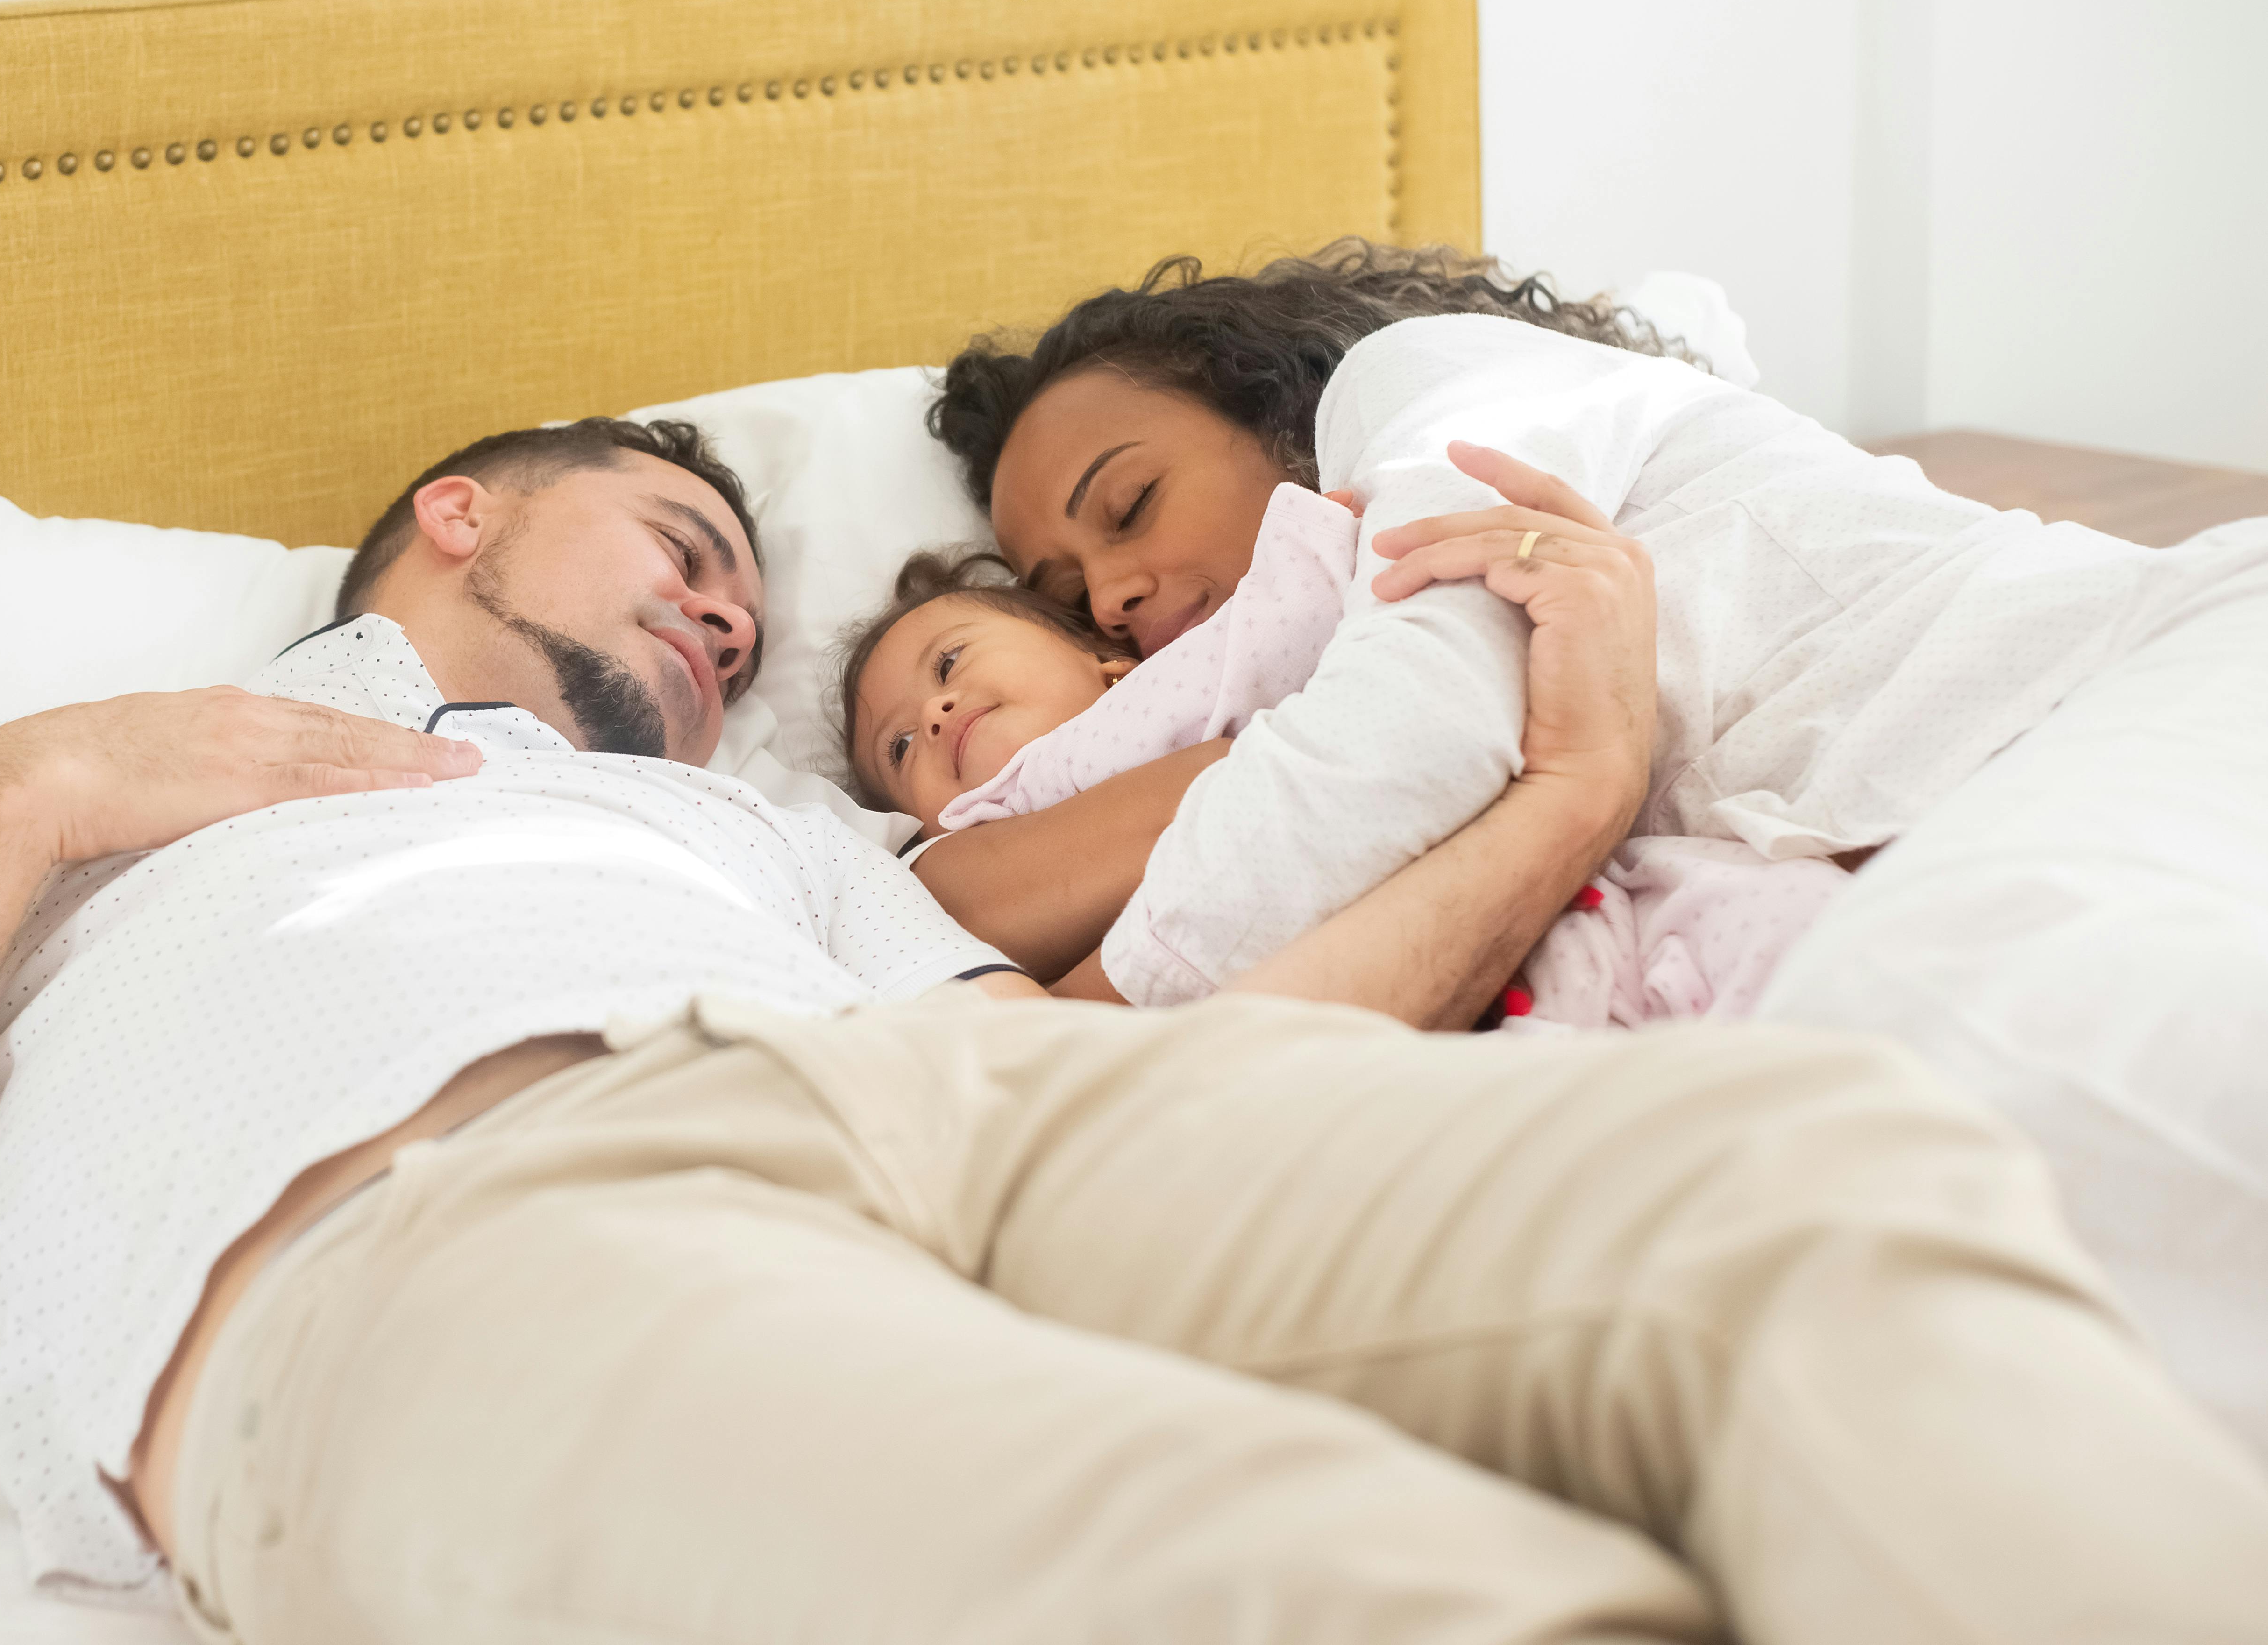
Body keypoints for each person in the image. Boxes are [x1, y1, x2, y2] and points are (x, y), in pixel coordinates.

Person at [0, 417, 2268, 1644]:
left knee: (1803, 1189)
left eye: (755, 593)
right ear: (460, 508)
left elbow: (1191, 1043)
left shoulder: (782, 835)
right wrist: (23, 787)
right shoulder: (83, 815)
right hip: (445, 1224)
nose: (738, 616)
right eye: (683, 541)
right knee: (1311, 1578)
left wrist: (1571, 775)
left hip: (964, 1086)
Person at [924, 237, 2268, 1443]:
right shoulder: (1284, 681)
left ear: (1268, 396)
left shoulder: (1419, 385)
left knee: (1929, 1050)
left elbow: (1416, 732)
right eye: (1067, 596)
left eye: (1128, 504)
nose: (1111, 589)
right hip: (2038, 796)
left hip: (2158, 675)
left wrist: (1052, 1043)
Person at [842, 482, 1850, 1026]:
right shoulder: (958, 862)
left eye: (952, 662)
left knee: (1806, 951)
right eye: (898, 745)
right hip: (1440, 989)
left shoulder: (1186, 685)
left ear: (1107, 662)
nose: (934, 716)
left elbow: (1294, 619)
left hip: (1583, 903)